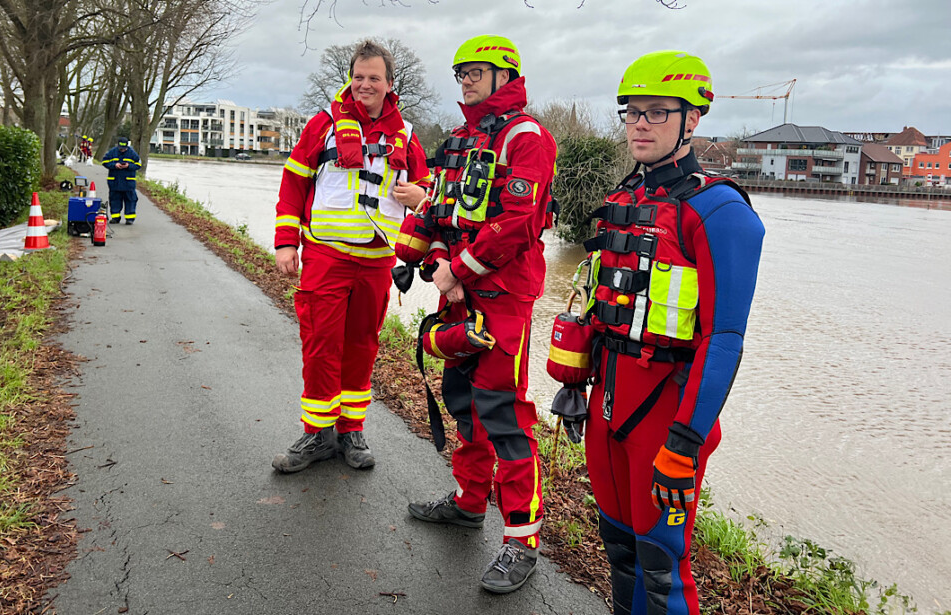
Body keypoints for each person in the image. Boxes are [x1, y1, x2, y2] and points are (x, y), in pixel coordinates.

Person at [577, 50, 765, 614]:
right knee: (618, 547)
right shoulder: (628, 197)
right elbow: (598, 302)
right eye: (632, 112)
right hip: (605, 406)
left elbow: (725, 338)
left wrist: (685, 441)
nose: (640, 123)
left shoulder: (719, 211)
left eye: (657, 112)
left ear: (693, 120)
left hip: (666, 418)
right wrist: (574, 379)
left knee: (662, 564)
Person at [403, 35, 557, 594]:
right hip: (459, 294)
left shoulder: (529, 137)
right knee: (464, 401)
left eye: (476, 71)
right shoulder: (460, 138)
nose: (465, 79)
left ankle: (521, 542)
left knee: (504, 414)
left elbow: (518, 222)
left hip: (503, 299)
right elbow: (439, 210)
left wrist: (459, 270)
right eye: (460, 72)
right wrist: (425, 260)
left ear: (504, 75)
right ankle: (469, 502)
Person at [271, 40, 431, 473]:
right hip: (326, 256)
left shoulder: (408, 136)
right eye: (358, 77)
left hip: (378, 260)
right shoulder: (322, 125)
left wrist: (421, 195)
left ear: (389, 84)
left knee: (362, 345)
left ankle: (351, 432)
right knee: (321, 345)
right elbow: (293, 182)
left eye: (373, 78)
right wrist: (287, 241)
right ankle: (317, 435)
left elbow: (431, 194)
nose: (364, 85)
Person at [101, 138, 142, 224]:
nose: (122, 150)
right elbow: (104, 161)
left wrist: (128, 166)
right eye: (121, 148)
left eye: (124, 148)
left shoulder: (132, 153)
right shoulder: (112, 152)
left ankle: (129, 219)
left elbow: (138, 164)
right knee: (114, 200)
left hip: (128, 182)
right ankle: (115, 217)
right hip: (115, 181)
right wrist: (114, 165)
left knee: (130, 200)